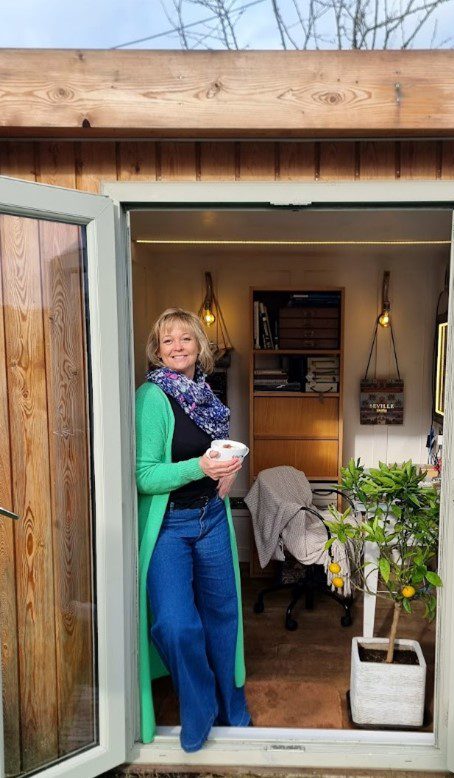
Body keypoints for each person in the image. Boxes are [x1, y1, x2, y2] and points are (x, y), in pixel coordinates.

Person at [135, 307, 250, 752]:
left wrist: (227, 470)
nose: (178, 347)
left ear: (199, 346)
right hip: (170, 527)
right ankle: (198, 703)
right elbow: (145, 476)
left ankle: (229, 704)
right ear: (157, 351)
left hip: (212, 518)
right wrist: (199, 466)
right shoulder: (151, 398)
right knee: (175, 624)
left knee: (223, 618)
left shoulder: (204, 394)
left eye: (186, 338)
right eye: (168, 341)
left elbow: (217, 452)